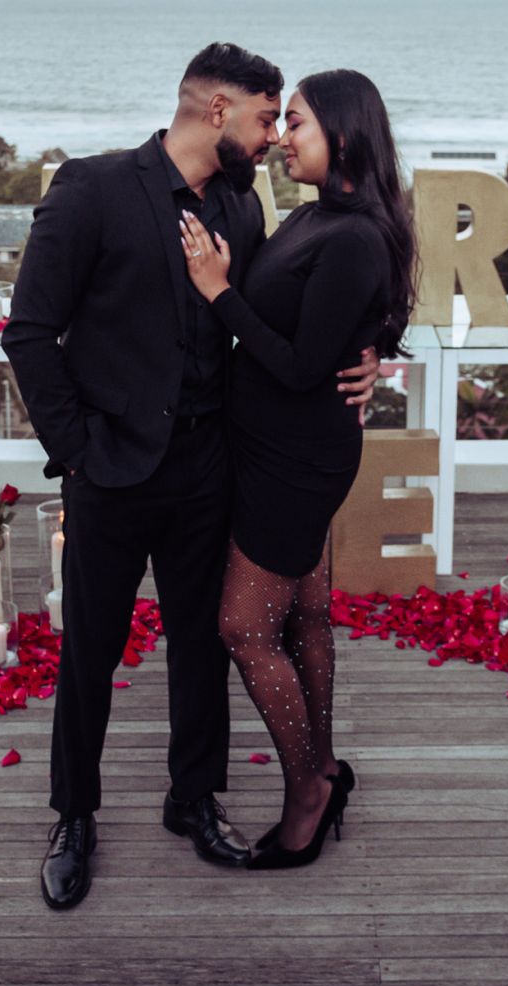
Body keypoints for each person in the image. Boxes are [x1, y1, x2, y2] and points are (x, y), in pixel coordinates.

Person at [3, 42, 380, 910]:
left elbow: (289, 313)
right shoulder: (93, 188)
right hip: (111, 472)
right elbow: (30, 332)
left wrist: (368, 354)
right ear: (216, 110)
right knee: (90, 652)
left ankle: (193, 798)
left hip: (214, 468)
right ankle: (74, 814)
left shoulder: (246, 211)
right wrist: (80, 450)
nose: (273, 137)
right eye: (263, 116)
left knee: (202, 645)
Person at [178, 68, 417, 870]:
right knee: (306, 616)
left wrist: (216, 291)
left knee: (245, 628)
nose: (282, 136)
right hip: (277, 448)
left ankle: (307, 791)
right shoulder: (324, 216)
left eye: (300, 123)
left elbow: (297, 363)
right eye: (280, 124)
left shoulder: (349, 234)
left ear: (345, 135)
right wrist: (376, 345)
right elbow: (346, 320)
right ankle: (323, 766)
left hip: (296, 459)